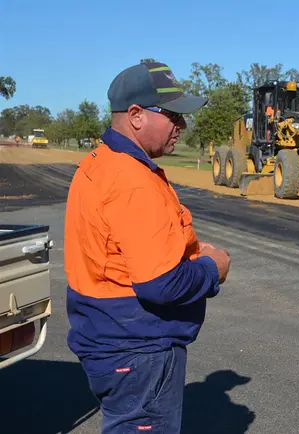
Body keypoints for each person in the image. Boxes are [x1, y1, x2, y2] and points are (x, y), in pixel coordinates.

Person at [64, 61, 231, 433]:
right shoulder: (132, 180)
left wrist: (185, 249)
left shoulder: (100, 162)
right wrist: (212, 266)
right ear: (136, 115)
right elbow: (161, 284)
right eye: (173, 115)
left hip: (108, 339)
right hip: (137, 351)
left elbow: (122, 252)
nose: (182, 126)